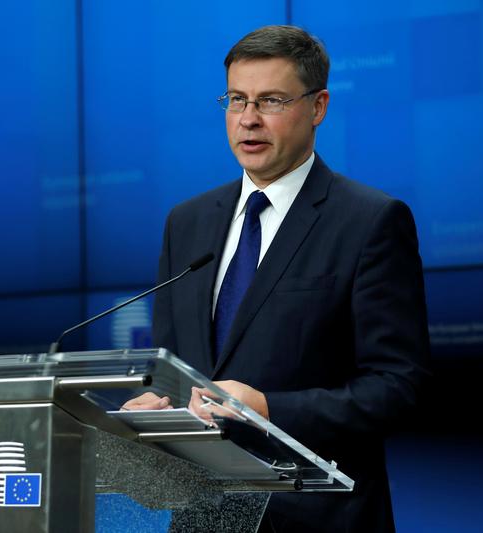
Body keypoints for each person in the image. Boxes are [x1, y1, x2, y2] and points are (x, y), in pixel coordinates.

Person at [124, 25, 430, 531]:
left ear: (318, 107)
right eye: (237, 99)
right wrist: (152, 410)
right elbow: (173, 370)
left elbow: (398, 388)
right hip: (203, 518)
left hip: (317, 517)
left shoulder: (370, 221)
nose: (248, 119)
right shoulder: (188, 222)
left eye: (270, 100)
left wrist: (268, 407)